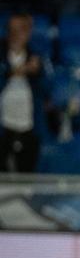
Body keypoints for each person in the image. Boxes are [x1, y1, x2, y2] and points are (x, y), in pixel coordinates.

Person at [1, 14, 44, 174]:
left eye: (21, 30)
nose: (16, 35)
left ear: (28, 33)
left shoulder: (37, 57)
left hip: (28, 126)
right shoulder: (2, 55)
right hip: (3, 126)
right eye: (12, 30)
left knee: (26, 175)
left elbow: (48, 90)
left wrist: (38, 73)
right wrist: (12, 72)